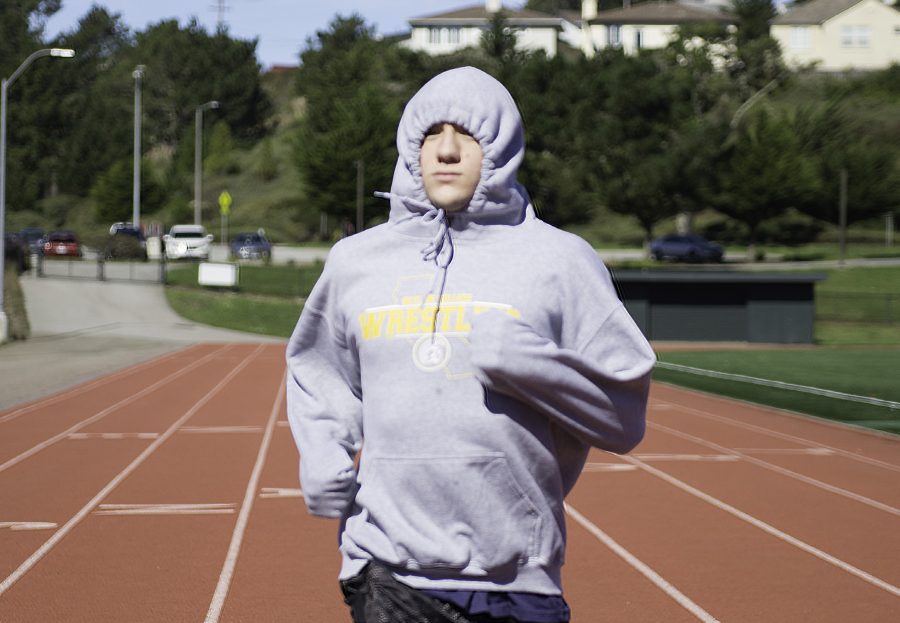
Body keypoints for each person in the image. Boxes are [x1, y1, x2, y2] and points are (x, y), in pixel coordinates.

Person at [286, 66, 656, 623]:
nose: (448, 151)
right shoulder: (356, 262)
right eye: (431, 134)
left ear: (501, 147)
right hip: (387, 568)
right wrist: (321, 452)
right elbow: (321, 376)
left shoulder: (561, 261)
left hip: (519, 572)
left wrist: (529, 365)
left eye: (469, 135)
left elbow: (623, 420)